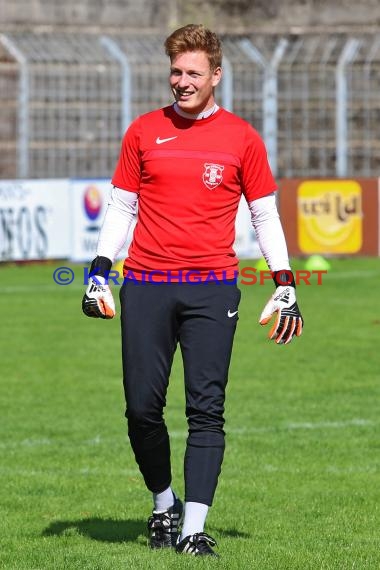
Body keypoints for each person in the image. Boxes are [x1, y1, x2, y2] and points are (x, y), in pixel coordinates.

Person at [82, 23, 303, 557]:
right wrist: (98, 267)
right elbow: (121, 207)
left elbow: (264, 215)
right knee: (141, 409)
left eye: (193, 73)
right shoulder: (141, 131)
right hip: (147, 285)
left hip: (212, 289)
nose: (182, 81)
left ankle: (193, 529)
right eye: (176, 72)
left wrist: (286, 281)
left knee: (207, 409)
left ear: (216, 76)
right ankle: (164, 504)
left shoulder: (242, 139)